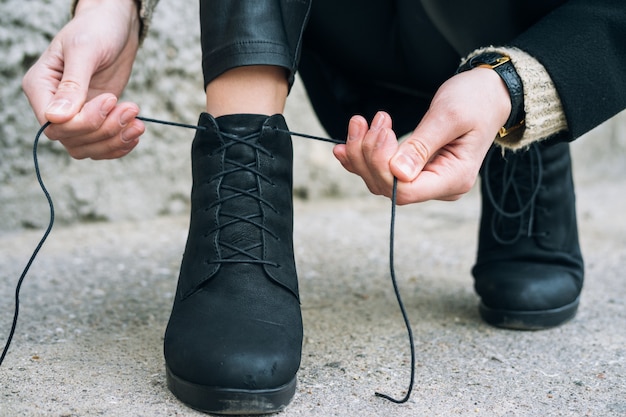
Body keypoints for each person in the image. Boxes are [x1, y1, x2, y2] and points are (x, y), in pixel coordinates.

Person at [21, 0, 626, 414]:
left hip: (506, 24)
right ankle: (243, 157)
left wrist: (517, 86)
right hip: (346, 30)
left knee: (516, 73)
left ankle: (521, 134)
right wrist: (111, 6)